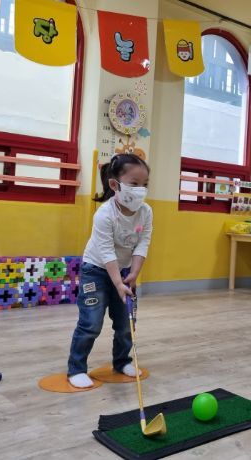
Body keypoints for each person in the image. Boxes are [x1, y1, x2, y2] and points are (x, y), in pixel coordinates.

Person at [67, 153, 152, 388]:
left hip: (124, 271)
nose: (141, 190)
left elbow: (143, 243)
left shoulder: (146, 212)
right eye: (134, 183)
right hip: (95, 270)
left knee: (126, 323)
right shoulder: (104, 214)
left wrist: (134, 274)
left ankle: (122, 361)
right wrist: (118, 283)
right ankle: (76, 368)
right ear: (115, 185)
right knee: (91, 323)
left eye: (145, 184)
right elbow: (106, 252)